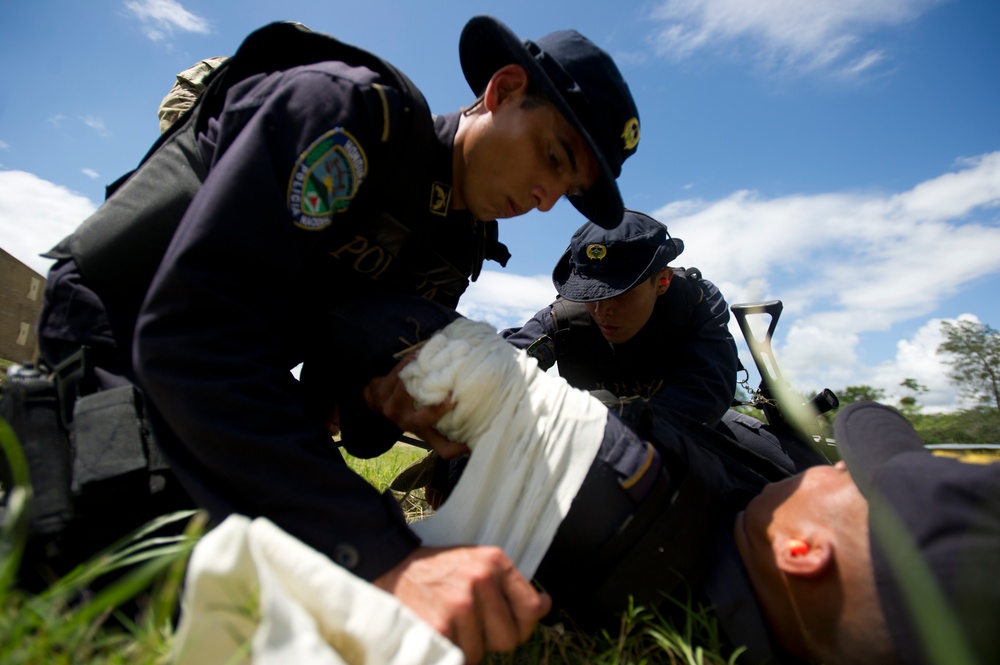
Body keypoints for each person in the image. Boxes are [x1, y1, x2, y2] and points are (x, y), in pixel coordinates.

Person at [23, 16, 641, 663]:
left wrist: (386, 402)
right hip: (122, 326)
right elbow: (192, 329)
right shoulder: (354, 116)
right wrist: (383, 555)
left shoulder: (449, 253)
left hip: (228, 375)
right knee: (174, 591)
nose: (547, 198)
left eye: (567, 192)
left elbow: (333, 408)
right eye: (553, 155)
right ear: (505, 90)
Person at [340, 296, 1000, 664]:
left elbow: (411, 341)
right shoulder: (757, 543)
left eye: (851, 484)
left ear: (802, 552)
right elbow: (874, 425)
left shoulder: (621, 483)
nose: (835, 468)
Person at [502, 209, 738, 429]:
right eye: (589, 294)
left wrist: (624, 424)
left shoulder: (698, 302)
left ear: (663, 281)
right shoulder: (560, 319)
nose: (601, 310)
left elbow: (707, 390)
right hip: (585, 434)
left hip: (687, 431)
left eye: (620, 293)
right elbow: (499, 369)